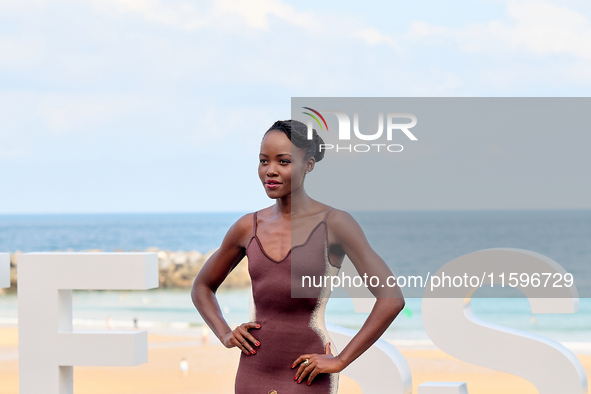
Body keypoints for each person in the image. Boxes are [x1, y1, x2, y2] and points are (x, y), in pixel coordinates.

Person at [191, 120, 405, 393]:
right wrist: (224, 333)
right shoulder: (247, 227)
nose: (270, 171)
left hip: (308, 373)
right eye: (263, 161)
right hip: (253, 371)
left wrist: (341, 360)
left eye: (284, 161)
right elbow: (202, 287)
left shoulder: (336, 223)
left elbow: (391, 299)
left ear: (309, 165)